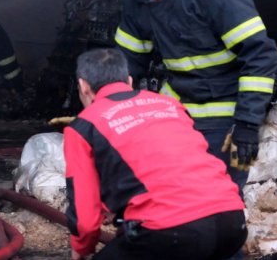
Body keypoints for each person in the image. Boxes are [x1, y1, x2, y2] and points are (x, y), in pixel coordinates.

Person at [94, 0, 277, 194]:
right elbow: (125, 64)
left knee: (218, 203)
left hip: (225, 117)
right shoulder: (136, 1)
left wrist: (246, 124)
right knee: (168, 197)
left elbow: (261, 55)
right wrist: (105, 113)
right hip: (176, 112)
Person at [64, 48, 247, 260]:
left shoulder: (84, 125)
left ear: (84, 87)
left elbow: (85, 219)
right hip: (232, 223)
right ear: (129, 81)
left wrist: (81, 249)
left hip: (173, 232)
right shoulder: (169, 105)